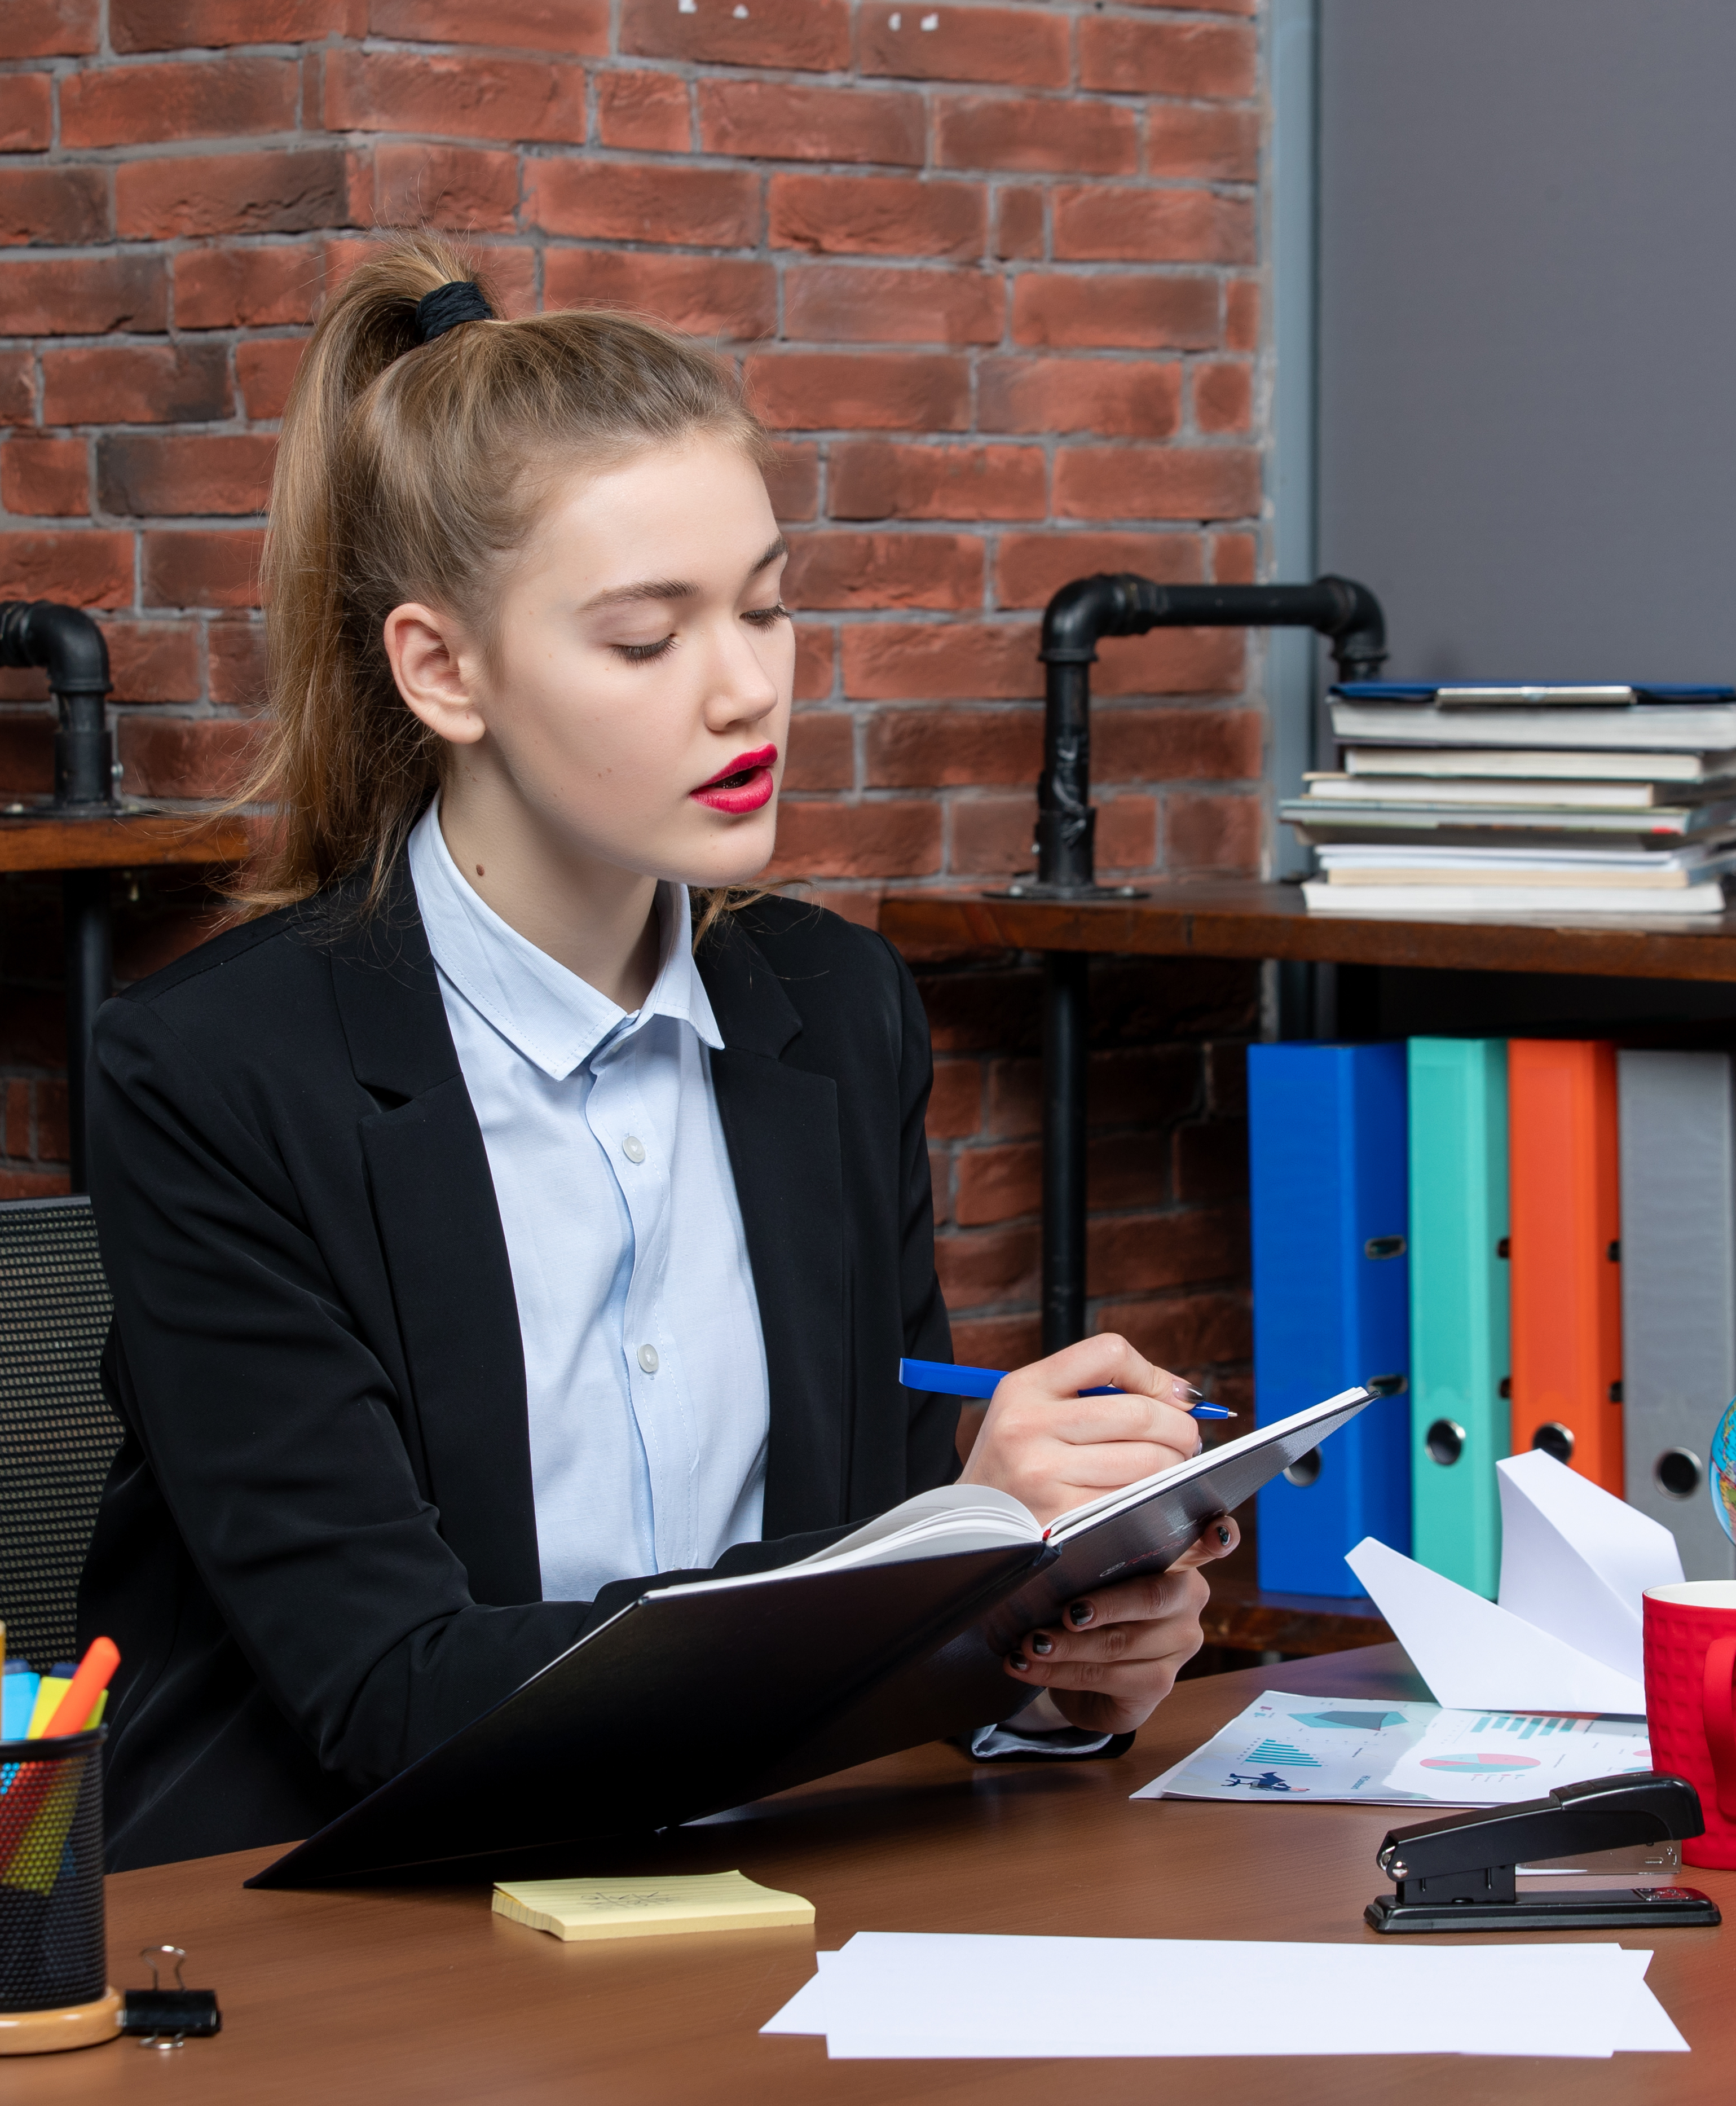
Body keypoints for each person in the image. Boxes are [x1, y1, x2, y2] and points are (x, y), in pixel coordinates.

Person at [78, 233, 1232, 1868]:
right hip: (328, 1925)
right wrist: (944, 1537)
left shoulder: (831, 1011)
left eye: (765, 609)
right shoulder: (212, 1074)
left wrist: (1044, 1651)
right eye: (646, 640)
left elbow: (860, 1499)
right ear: (442, 670)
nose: (745, 692)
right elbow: (389, 1693)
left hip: (735, 1882)